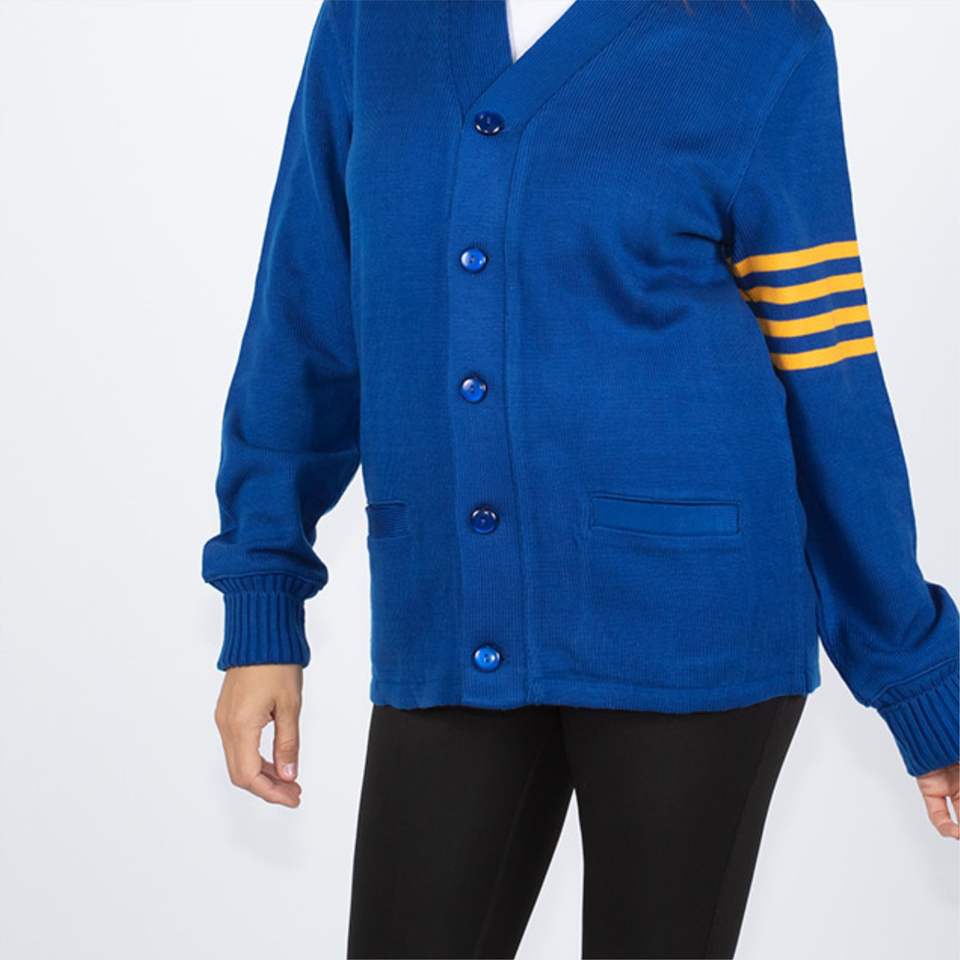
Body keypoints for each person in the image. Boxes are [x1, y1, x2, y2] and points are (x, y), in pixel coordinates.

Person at [202, 2, 960, 957]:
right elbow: (305, 319)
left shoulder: (762, 33)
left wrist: (920, 676)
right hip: (454, 616)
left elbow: (827, 367)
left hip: (694, 625)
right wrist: (262, 600)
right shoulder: (373, 18)